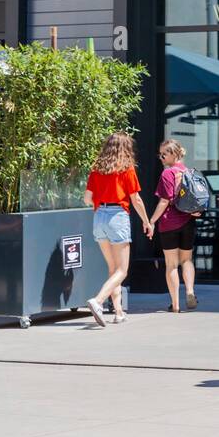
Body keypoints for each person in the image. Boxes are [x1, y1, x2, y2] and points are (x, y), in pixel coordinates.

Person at [84, 133, 153, 327]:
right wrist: (147, 222)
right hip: (117, 216)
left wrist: (100, 205)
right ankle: (98, 301)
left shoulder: (97, 168)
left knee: (113, 268)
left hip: (99, 217)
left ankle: (119, 311)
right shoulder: (126, 168)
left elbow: (87, 198)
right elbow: (136, 199)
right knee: (122, 270)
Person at [149, 139, 200, 314]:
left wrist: (152, 221)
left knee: (171, 264)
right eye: (160, 154)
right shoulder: (189, 172)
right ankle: (190, 291)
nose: (161, 157)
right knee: (186, 260)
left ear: (173, 154)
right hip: (188, 221)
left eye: (164, 154)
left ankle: (176, 304)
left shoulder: (168, 174)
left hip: (169, 222)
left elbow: (164, 201)